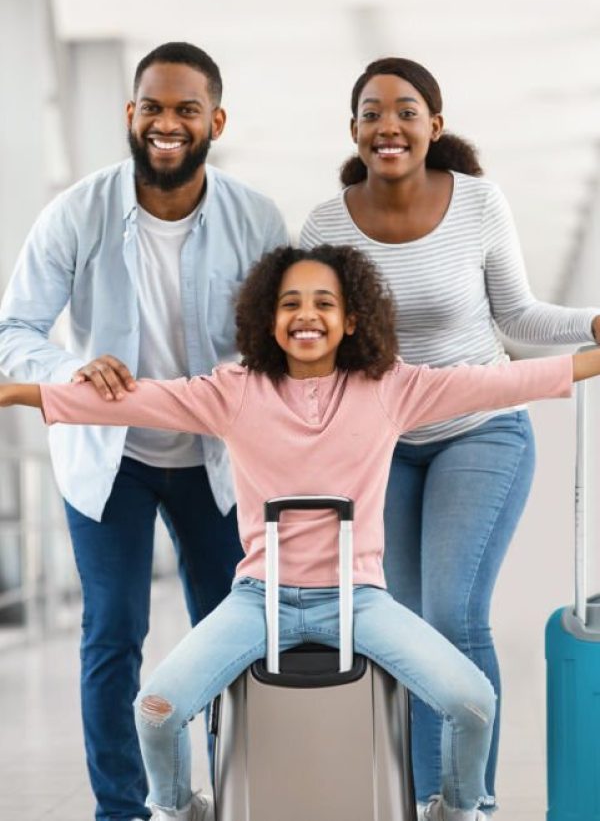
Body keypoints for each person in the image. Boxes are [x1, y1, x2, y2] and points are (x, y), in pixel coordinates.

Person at [2, 243, 597, 821]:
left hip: (359, 600)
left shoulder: (392, 387)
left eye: (323, 303)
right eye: (289, 304)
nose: (306, 315)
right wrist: (18, 392)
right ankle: (181, 809)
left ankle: (457, 810)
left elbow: (504, 382)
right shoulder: (232, 392)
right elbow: (125, 403)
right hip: (260, 598)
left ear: (350, 320)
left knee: (473, 702)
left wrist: (588, 358)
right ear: (269, 318)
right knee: (156, 710)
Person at [299, 57, 600, 813]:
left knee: (451, 616)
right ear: (355, 130)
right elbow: (315, 335)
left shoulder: (479, 203)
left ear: (434, 125)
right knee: (400, 627)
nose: (388, 125)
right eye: (372, 112)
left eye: (405, 111)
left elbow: (519, 317)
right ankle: (426, 796)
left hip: (480, 431)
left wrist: (591, 324)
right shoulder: (326, 224)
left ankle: (469, 801)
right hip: (383, 444)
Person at [0, 41, 287, 821]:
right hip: (110, 457)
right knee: (112, 637)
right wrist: (70, 368)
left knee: (232, 637)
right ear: (130, 114)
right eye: (152, 107)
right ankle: (122, 811)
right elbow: (14, 328)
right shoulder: (78, 211)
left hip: (216, 460)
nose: (166, 122)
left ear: (214, 120)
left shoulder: (256, 218)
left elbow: (287, 343)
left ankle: (236, 798)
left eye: (185, 109)